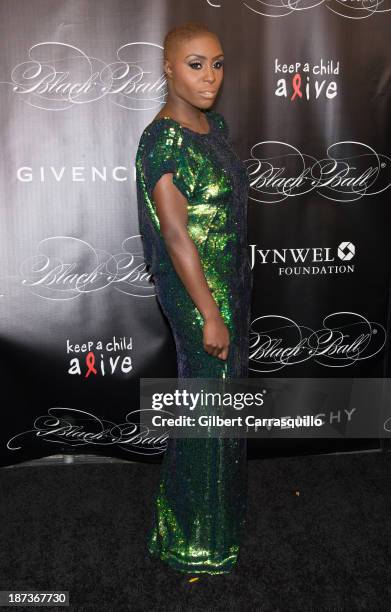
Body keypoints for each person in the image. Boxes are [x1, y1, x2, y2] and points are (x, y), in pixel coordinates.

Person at [135, 21, 253, 575]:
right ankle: (193, 541)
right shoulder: (161, 140)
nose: (211, 77)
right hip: (197, 294)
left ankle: (212, 522)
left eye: (218, 63)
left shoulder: (213, 124)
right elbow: (177, 233)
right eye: (196, 64)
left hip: (228, 284)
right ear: (168, 68)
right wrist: (210, 312)